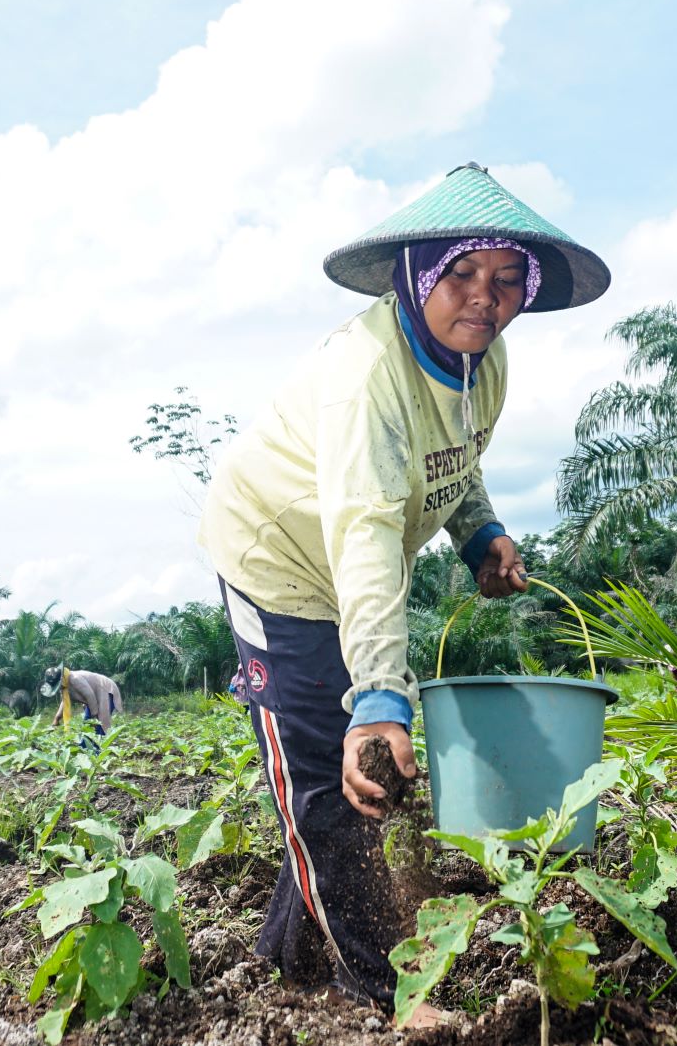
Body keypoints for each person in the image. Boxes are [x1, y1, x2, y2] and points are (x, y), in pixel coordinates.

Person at [197, 163, 610, 1023]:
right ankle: (379, 991)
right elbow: (366, 533)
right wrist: (380, 694)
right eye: (460, 274)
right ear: (415, 276)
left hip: (352, 553)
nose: (483, 300)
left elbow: (455, 461)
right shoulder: (365, 380)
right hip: (280, 558)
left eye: (505, 282)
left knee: (348, 770)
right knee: (326, 766)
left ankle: (289, 952)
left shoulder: (481, 365)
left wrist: (481, 535)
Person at [38, 665, 122, 735]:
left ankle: (101, 751)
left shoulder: (75, 679)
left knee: (101, 724)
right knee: (87, 728)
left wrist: (94, 718)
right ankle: (86, 750)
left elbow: (90, 696)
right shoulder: (65, 685)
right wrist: (56, 719)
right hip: (93, 700)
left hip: (105, 691)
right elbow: (64, 701)